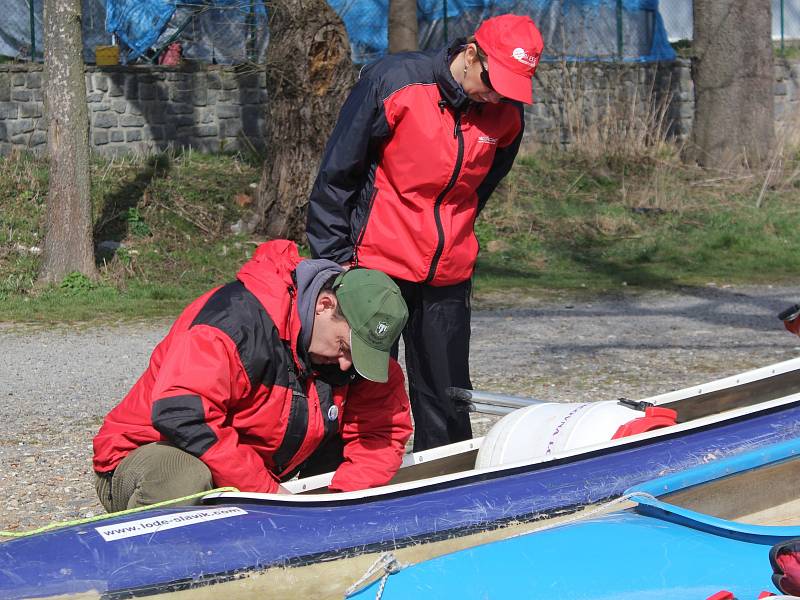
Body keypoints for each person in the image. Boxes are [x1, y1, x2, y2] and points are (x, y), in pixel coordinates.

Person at [306, 14, 544, 451]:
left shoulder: (506, 112)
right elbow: (337, 176)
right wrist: (337, 262)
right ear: (472, 55)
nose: (498, 97)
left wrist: (453, 233)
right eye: (494, 82)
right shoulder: (395, 82)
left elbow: (481, 185)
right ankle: (336, 477)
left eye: (512, 89)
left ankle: (446, 479)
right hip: (374, 262)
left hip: (448, 270)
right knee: (358, 380)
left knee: (446, 394)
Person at [93, 239, 412, 512]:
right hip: (146, 456)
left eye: (359, 357)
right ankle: (149, 565)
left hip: (249, 469)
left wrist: (341, 503)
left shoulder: (348, 355)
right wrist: (270, 495)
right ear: (324, 305)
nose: (345, 365)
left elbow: (381, 434)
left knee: (353, 461)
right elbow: (182, 416)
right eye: (343, 347)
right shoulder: (234, 324)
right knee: (184, 477)